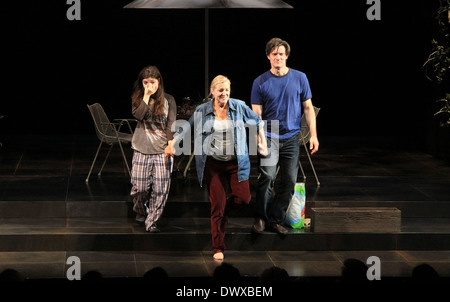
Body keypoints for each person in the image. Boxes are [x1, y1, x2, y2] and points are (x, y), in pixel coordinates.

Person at [166, 75, 267, 261]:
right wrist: (173, 143)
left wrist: (261, 141)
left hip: (237, 163)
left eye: (227, 90)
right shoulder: (203, 110)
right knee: (216, 206)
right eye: (220, 90)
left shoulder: (239, 106)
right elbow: (185, 128)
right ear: (212, 91)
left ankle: (223, 210)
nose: (224, 94)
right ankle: (218, 247)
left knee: (244, 199)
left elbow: (258, 121)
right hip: (213, 164)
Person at [251, 37, 319, 235]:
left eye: (281, 54)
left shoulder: (300, 78)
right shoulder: (260, 81)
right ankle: (260, 218)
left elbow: (308, 108)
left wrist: (313, 135)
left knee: (289, 180)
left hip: (291, 136)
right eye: (274, 54)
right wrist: (259, 138)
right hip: (269, 135)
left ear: (286, 56)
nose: (278, 57)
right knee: (268, 177)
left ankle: (275, 219)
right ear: (268, 57)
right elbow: (257, 114)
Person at [130, 65, 176, 233]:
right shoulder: (138, 97)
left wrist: (170, 144)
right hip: (142, 148)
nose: (149, 85)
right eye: (146, 82)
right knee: (140, 188)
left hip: (161, 150)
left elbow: (171, 125)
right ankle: (141, 211)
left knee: (161, 189)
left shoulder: (169, 100)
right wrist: (146, 96)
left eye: (153, 82)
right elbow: (139, 115)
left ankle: (152, 222)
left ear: (159, 81)